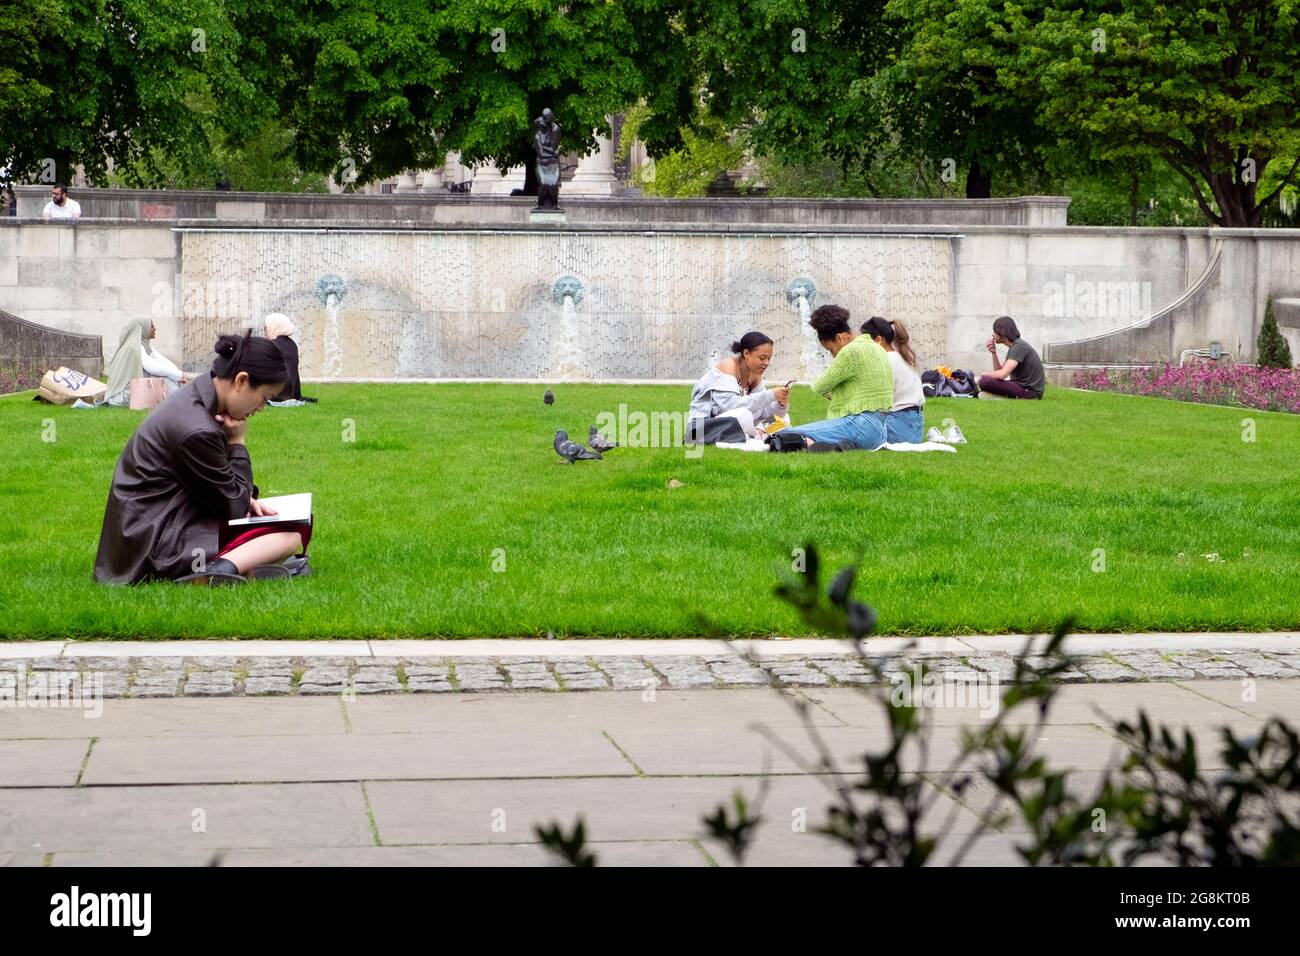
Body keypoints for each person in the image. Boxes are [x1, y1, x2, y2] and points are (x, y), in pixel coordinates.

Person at [94, 331, 313, 585]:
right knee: (289, 536)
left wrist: (244, 497)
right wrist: (237, 444)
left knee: (280, 529)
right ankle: (216, 572)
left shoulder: (199, 401)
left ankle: (240, 566)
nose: (260, 408)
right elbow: (233, 507)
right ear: (241, 381)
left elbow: (225, 492)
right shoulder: (198, 429)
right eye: (263, 398)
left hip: (146, 531)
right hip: (152, 545)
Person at [783, 305, 894, 450]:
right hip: (880, 431)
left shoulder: (850, 351)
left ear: (840, 338)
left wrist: (833, 391)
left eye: (831, 350)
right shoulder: (877, 348)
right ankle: (831, 448)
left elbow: (820, 386)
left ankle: (818, 446)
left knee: (784, 434)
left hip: (860, 426)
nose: (833, 355)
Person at [687, 331, 790, 443]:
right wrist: (771, 395)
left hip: (736, 423)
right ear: (746, 354)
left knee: (782, 418)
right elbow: (731, 406)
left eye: (769, 359)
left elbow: (762, 411)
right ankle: (756, 436)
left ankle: (757, 434)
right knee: (743, 414)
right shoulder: (728, 366)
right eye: (762, 358)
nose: (766, 363)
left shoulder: (755, 374)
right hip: (703, 427)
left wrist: (780, 405)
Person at [861, 315, 924, 444]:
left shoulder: (884, 361)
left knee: (853, 426)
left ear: (878, 340)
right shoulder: (902, 357)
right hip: (913, 425)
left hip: (898, 425)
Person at [102, 318, 189, 407]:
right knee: (165, 381)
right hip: (122, 395)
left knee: (168, 380)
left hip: (135, 388)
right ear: (142, 329)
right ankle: (183, 400)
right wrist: (177, 375)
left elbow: (161, 360)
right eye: (151, 326)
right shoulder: (134, 347)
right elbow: (151, 366)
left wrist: (179, 375)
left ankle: (182, 399)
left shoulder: (145, 345)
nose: (155, 328)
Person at [979, 315, 1045, 399]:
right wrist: (993, 353)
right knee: (986, 380)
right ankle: (996, 396)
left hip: (1030, 392)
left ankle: (998, 397)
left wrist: (982, 375)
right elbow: (999, 372)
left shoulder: (1019, 346)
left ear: (1002, 332)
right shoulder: (1014, 347)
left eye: (994, 331)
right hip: (1021, 387)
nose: (992, 334)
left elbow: (1002, 374)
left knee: (985, 381)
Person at [263, 313, 316, 404]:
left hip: (277, 394)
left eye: (266, 327)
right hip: (293, 393)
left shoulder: (273, 345)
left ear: (275, 327)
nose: (264, 331)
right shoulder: (291, 344)